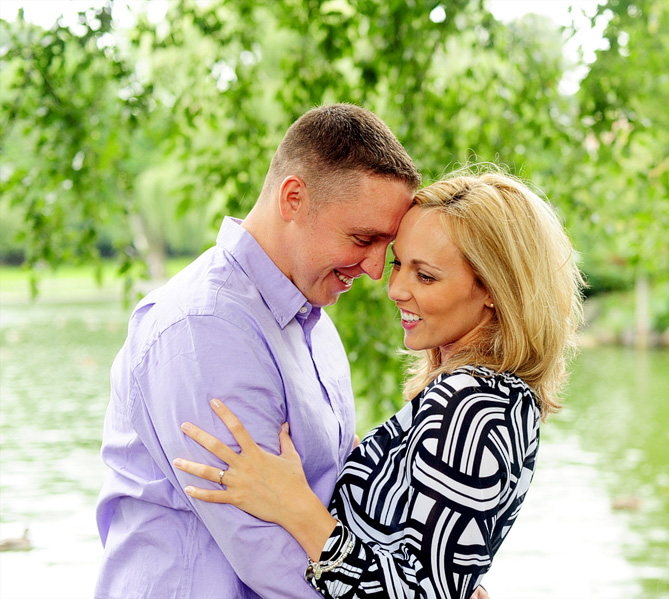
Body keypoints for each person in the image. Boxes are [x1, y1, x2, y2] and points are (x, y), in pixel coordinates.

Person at [173, 171, 585, 597]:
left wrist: (294, 506)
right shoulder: (487, 396)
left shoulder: (472, 407)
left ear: (494, 289)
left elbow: (417, 593)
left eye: (425, 276)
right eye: (398, 264)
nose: (396, 289)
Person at [94, 104, 421, 599]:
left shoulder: (313, 321)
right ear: (294, 198)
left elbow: (340, 491)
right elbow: (273, 558)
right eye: (362, 238)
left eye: (387, 246)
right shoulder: (205, 329)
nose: (376, 269)